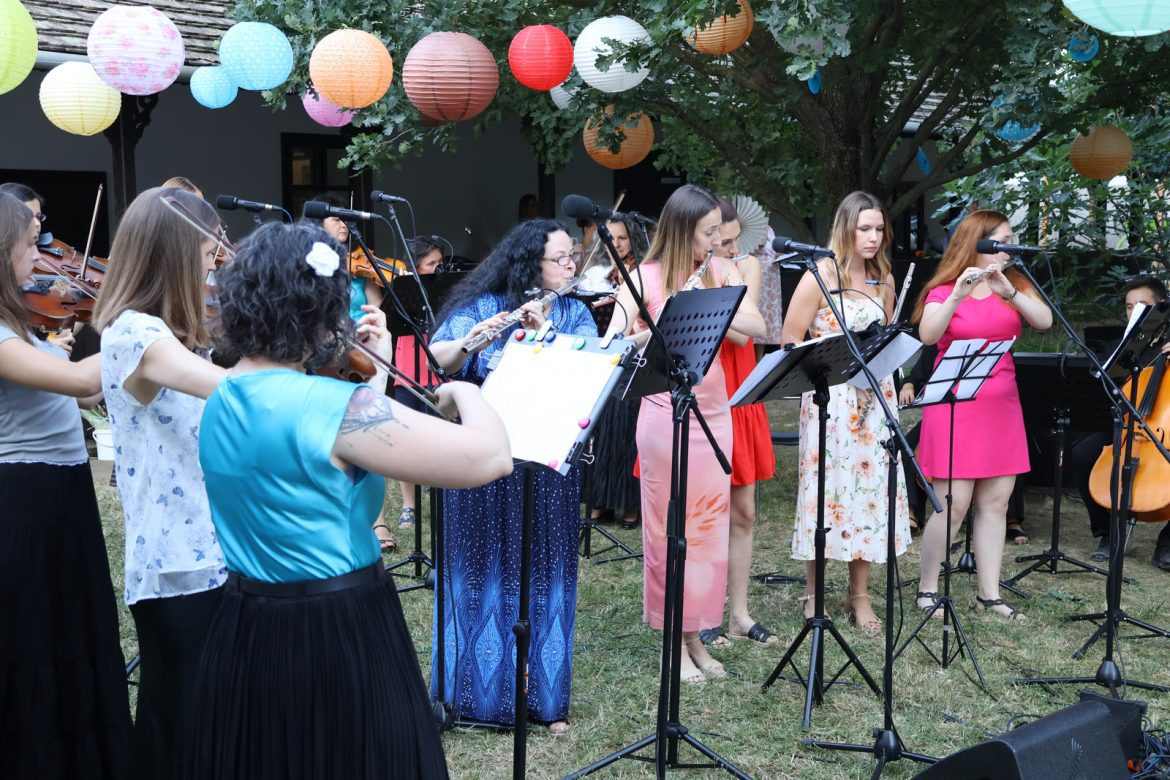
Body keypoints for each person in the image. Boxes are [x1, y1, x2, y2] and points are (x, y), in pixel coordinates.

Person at [185, 222, 511, 778]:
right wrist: (466, 391)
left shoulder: (222, 395)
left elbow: (321, 464)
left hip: (246, 622)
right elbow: (490, 457)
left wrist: (373, 379)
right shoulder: (337, 407)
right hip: (336, 628)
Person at [427, 218, 596, 730]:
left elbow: (589, 376)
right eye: (560, 258)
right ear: (529, 263)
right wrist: (472, 343)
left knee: (545, 575)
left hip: (546, 464)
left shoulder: (575, 313)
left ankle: (543, 699)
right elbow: (438, 363)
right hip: (481, 462)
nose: (570, 265)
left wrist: (545, 338)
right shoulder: (483, 306)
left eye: (572, 256)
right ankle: (472, 697)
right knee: (479, 572)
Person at [92, 187, 229, 779]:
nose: (210, 273)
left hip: (208, 547)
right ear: (173, 255)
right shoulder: (133, 334)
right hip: (176, 558)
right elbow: (232, 390)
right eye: (205, 258)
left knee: (204, 717)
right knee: (180, 721)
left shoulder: (169, 334)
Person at [605, 184, 765, 681]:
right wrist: (660, 325)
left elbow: (756, 326)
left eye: (719, 232)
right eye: (709, 232)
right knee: (668, 529)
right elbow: (612, 342)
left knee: (708, 529)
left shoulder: (720, 270)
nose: (717, 241)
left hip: (713, 411)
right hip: (662, 413)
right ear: (681, 230)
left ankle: (695, 635)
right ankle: (672, 642)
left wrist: (711, 302)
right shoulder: (644, 276)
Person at [0, 192, 132, 778]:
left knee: (71, 634)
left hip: (63, 496)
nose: (39, 257)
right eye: (29, 245)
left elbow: (85, 391)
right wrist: (138, 322)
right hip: (25, 503)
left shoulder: (21, 327)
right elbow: (79, 379)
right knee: (35, 643)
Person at [911, 209, 1052, 621]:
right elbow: (928, 335)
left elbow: (1044, 321)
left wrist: (1009, 292)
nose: (1010, 247)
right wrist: (958, 294)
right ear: (978, 243)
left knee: (996, 503)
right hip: (955, 404)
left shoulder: (1015, 283)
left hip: (1001, 406)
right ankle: (928, 588)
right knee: (953, 505)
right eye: (1002, 241)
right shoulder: (944, 289)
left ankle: (989, 594)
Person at [780, 191, 910, 635]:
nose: (873, 237)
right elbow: (790, 341)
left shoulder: (884, 279)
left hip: (875, 398)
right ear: (846, 228)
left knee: (869, 493)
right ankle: (813, 591)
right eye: (864, 228)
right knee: (828, 494)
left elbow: (887, 338)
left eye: (879, 229)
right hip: (830, 400)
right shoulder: (819, 276)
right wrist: (829, 370)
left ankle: (859, 594)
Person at [700, 197, 777, 647]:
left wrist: (713, 307)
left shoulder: (745, 266)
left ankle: (739, 614)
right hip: (708, 389)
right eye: (721, 240)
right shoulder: (690, 269)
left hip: (741, 388)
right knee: (707, 512)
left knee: (744, 509)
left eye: (733, 240)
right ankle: (703, 611)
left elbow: (749, 332)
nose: (730, 249)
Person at [303, 194, 396, 549]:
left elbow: (378, 310)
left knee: (371, 426)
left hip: (364, 354)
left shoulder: (361, 265)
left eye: (345, 218)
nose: (343, 224)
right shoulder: (308, 264)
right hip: (326, 357)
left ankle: (377, 519)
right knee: (328, 435)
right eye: (334, 217)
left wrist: (384, 281)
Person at [1069, 274, 1170, 570]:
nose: (1133, 312)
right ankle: (1107, 531)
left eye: (1142, 306)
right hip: (1128, 430)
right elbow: (1104, 392)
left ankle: (1167, 542)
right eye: (1128, 307)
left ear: (1161, 308)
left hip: (1164, 429)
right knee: (1082, 453)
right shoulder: (1120, 348)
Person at [588, 217, 641, 529]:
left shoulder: (639, 275)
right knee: (602, 433)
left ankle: (629, 502)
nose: (616, 245)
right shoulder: (596, 275)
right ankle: (601, 499)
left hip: (633, 360)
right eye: (611, 238)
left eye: (622, 238)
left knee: (626, 432)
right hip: (602, 359)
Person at [391, 237, 445, 530]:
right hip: (408, 369)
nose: (438, 269)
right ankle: (408, 505)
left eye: (439, 263)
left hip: (436, 367)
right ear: (414, 266)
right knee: (406, 438)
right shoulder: (402, 288)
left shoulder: (443, 289)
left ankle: (441, 498)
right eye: (431, 264)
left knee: (439, 436)